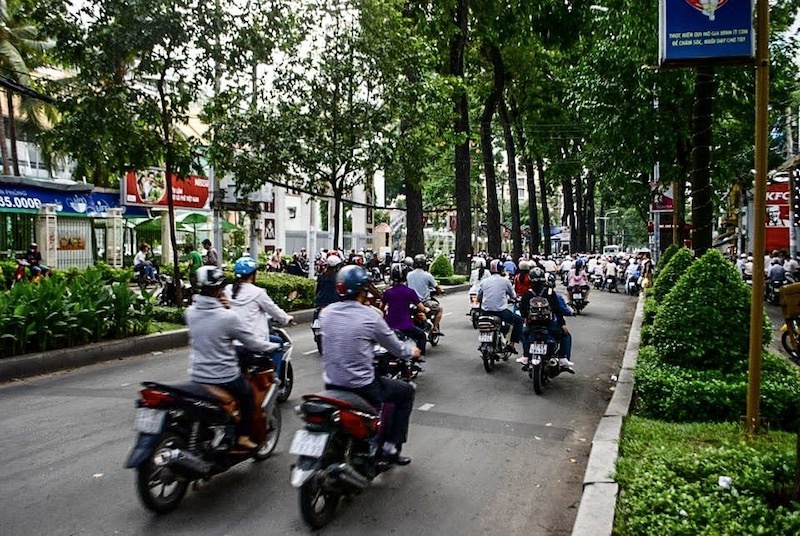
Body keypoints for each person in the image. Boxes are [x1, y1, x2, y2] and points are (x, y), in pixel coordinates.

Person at [320, 265, 421, 465]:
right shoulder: (370, 316)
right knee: (406, 391)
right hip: (362, 386)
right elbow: (396, 348)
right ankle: (391, 447)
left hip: (331, 384)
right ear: (363, 289)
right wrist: (412, 351)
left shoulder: (326, 313)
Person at [185, 265, 275, 450]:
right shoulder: (227, 317)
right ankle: (242, 435)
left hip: (197, 375)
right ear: (219, 289)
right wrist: (273, 346)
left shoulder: (190, 313)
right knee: (248, 394)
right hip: (224, 377)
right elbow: (252, 343)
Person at [226, 256, 294, 373]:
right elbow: (274, 310)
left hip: (232, 341)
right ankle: (274, 377)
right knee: (278, 343)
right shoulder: (258, 293)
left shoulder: (227, 290)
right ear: (253, 274)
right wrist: (286, 319)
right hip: (253, 341)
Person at [519, 267, 574, 371]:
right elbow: (557, 310)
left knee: (524, 333)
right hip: (549, 325)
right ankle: (563, 358)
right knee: (566, 335)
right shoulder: (550, 292)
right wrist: (562, 324)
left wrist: (526, 318)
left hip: (532, 325)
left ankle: (526, 356)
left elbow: (523, 311)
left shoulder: (527, 293)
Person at [382, 263, 428, 357]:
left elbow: (382, 307)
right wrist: (426, 310)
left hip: (389, 326)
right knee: (421, 335)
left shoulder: (387, 292)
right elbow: (420, 307)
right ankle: (418, 357)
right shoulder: (409, 292)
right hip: (405, 326)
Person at [478, 259, 522, 354]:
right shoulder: (505, 281)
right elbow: (513, 296)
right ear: (501, 270)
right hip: (500, 311)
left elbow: (479, 296)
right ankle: (512, 344)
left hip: (486, 311)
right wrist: (514, 299)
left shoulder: (484, 281)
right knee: (519, 320)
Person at [406, 254, 445, 334]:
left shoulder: (409, 275)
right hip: (424, 302)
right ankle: (434, 328)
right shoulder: (427, 275)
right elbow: (437, 287)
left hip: (410, 303)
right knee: (440, 309)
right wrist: (441, 291)